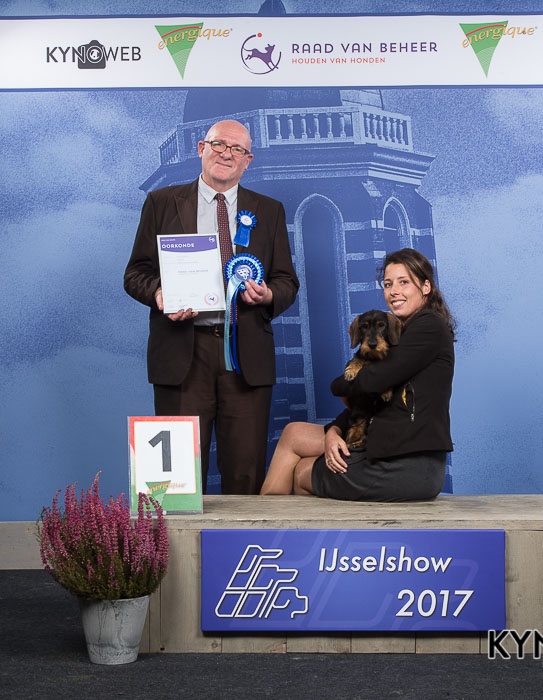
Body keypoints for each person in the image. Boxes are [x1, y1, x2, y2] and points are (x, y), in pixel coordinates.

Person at [124, 119, 299, 494]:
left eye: (237, 149)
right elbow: (135, 274)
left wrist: (268, 295)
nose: (226, 154)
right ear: (201, 148)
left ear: (248, 161)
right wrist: (160, 294)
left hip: (245, 356)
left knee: (245, 476)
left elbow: (287, 281)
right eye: (219, 144)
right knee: (171, 486)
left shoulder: (269, 211)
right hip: (181, 354)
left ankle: (241, 536)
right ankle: (171, 535)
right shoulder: (161, 202)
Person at [260, 248, 454, 501]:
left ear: (426, 287)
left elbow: (373, 381)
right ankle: (262, 520)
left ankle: (270, 523)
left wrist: (339, 386)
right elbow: (371, 399)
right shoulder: (400, 334)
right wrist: (334, 431)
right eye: (388, 284)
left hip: (409, 465)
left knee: (303, 471)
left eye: (404, 282)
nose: (394, 291)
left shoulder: (429, 326)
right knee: (293, 433)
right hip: (387, 447)